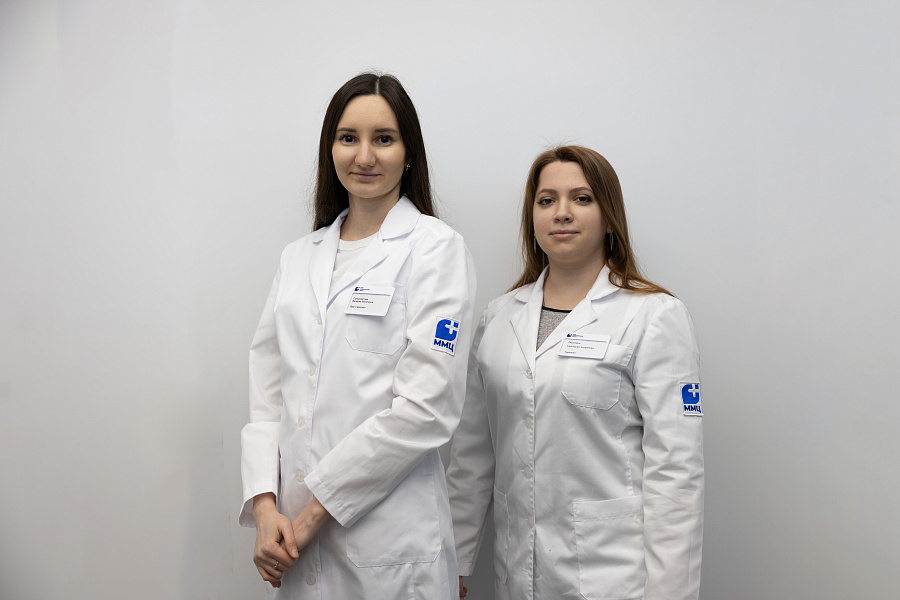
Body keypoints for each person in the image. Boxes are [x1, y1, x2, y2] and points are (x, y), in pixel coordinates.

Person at [240, 73, 475, 599]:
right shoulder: (298, 257)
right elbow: (268, 397)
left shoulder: (436, 249)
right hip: (291, 540)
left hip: (389, 544)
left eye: (383, 139)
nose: (364, 156)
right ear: (331, 149)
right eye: (348, 138)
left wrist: (311, 516)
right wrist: (265, 508)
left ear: (408, 154)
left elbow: (426, 408)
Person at [447, 146, 704, 600]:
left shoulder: (654, 316)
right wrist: (456, 563)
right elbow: (472, 456)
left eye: (582, 199)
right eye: (546, 200)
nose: (561, 212)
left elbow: (676, 474)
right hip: (516, 571)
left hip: (614, 578)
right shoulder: (499, 318)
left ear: (610, 218)